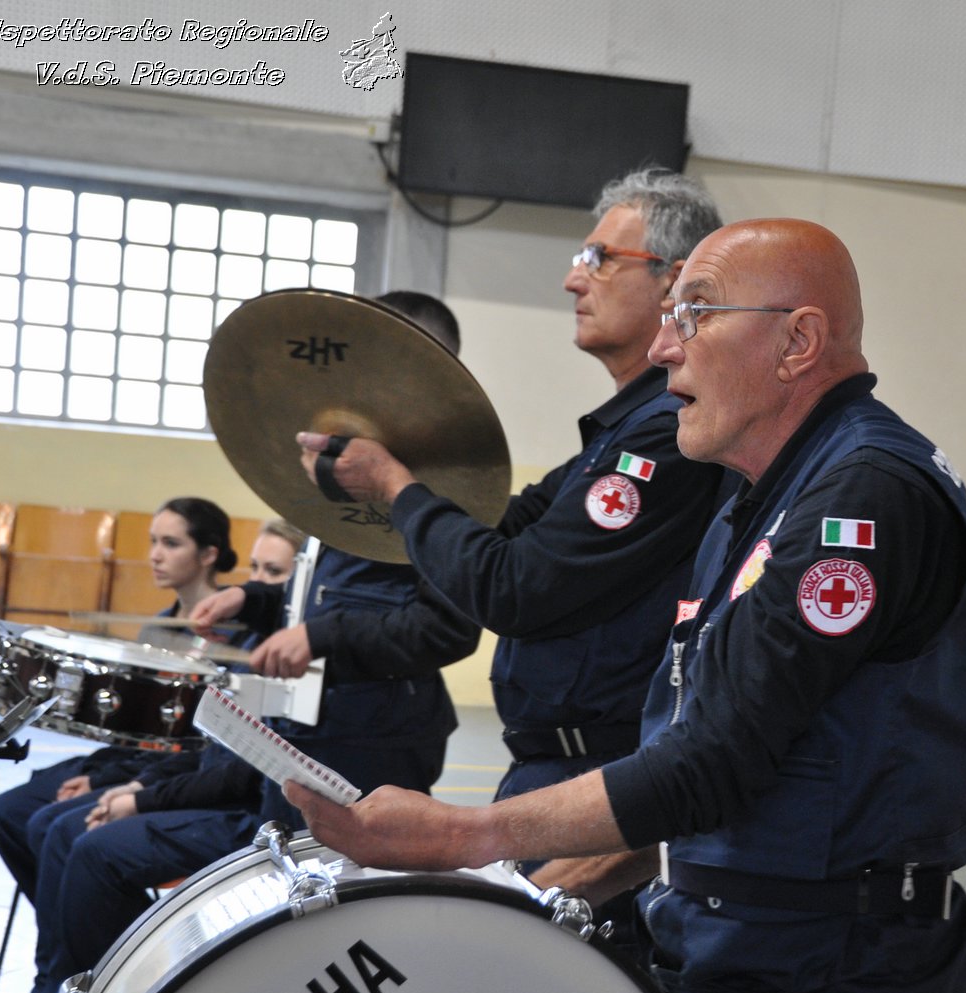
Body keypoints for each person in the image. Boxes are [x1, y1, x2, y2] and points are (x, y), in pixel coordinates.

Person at [287, 219, 966, 993]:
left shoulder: (861, 497)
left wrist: (461, 837)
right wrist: (575, 877)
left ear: (798, 341)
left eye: (695, 313)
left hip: (826, 983)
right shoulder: (757, 493)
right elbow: (745, 755)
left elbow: (712, 762)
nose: (665, 347)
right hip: (740, 953)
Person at [297, 169, 728, 823]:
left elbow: (514, 586)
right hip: (559, 763)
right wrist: (406, 466)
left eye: (599, 259)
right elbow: (504, 521)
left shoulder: (664, 436)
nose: (572, 278)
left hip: (596, 766)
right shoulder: (625, 429)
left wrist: (393, 483)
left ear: (672, 280)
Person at [0, 525, 301, 993]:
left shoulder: (268, 659)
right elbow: (170, 746)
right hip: (174, 779)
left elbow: (231, 771)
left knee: (72, 837)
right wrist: (128, 782)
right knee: (31, 818)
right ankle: (67, 980)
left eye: (275, 574)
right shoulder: (175, 630)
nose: (258, 585)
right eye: (257, 570)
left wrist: (136, 793)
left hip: (236, 810)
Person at [190, 291, 481, 831]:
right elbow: (326, 596)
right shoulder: (350, 473)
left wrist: (324, 637)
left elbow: (446, 631)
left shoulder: (449, 489)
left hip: (377, 736)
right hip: (312, 728)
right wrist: (253, 601)